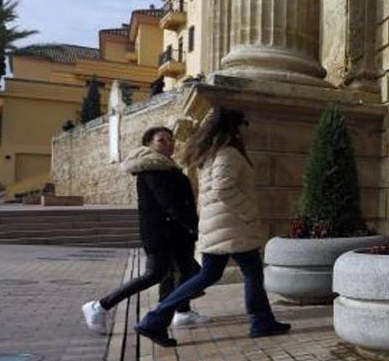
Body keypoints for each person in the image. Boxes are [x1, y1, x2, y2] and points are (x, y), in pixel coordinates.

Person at [133, 107, 290, 347]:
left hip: (221, 226)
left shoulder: (211, 154)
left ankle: (156, 320)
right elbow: (223, 189)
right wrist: (248, 211)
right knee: (248, 272)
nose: (243, 132)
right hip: (233, 226)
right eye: (241, 127)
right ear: (232, 129)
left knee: (219, 274)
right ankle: (260, 321)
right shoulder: (227, 154)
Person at [82, 126, 209, 334]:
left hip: (175, 232)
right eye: (161, 140)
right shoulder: (153, 167)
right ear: (148, 144)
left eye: (171, 140)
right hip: (163, 233)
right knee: (155, 274)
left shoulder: (166, 167)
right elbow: (169, 202)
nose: (168, 144)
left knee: (183, 271)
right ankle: (100, 305)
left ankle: (182, 311)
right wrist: (191, 225)